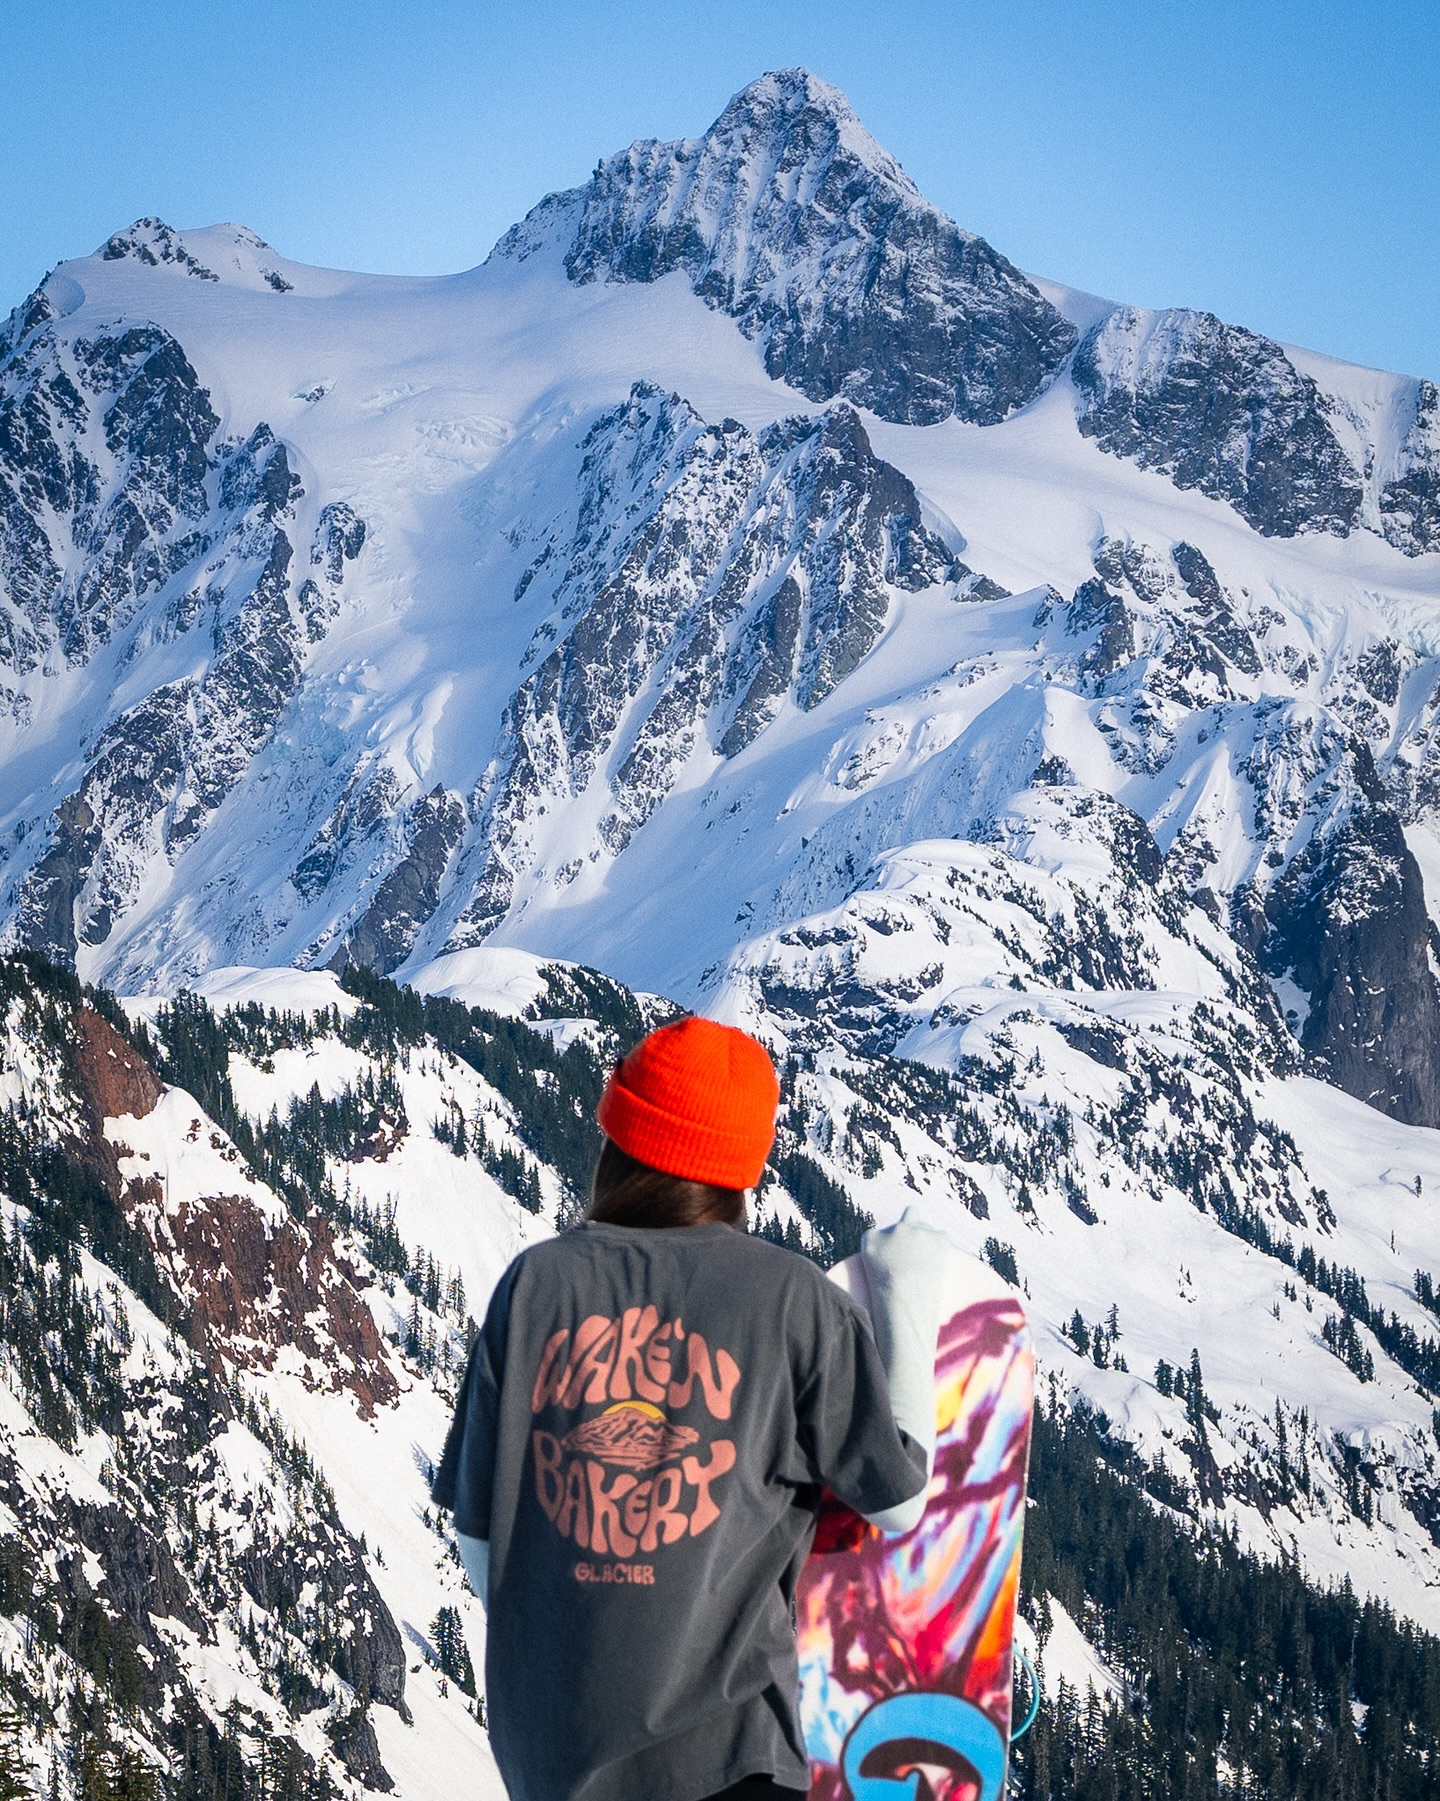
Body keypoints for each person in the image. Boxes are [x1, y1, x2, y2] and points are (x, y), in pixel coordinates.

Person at [432, 1016, 948, 1801]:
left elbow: (481, 1549)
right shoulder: (789, 1301)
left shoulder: (530, 1286)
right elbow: (902, 1499)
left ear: (614, 1137)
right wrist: (907, 1289)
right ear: (742, 1168)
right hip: (728, 1759)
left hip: (549, 1764)